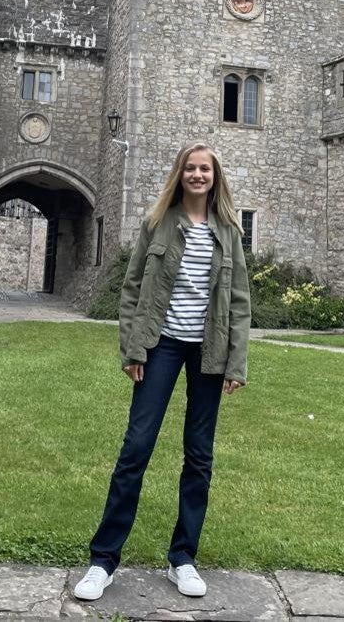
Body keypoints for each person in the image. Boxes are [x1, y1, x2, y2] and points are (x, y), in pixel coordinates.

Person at [73, 142, 251, 601]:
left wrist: (236, 362)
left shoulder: (228, 230)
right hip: (161, 346)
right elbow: (132, 289)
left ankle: (183, 559)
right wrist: (133, 348)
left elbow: (239, 303)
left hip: (209, 352)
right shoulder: (157, 224)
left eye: (204, 169)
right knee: (136, 448)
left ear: (215, 177)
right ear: (180, 174)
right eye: (190, 168)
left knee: (199, 455)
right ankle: (103, 561)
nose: (197, 175)